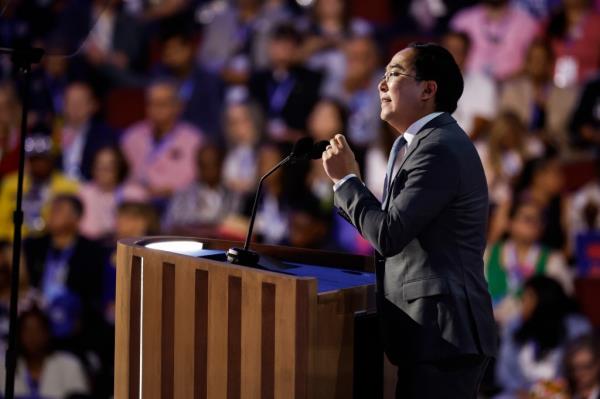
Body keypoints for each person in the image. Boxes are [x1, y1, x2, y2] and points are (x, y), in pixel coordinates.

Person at [321, 42, 497, 397]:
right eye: (383, 75)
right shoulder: (419, 145)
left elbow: (389, 233)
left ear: (428, 89)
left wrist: (346, 181)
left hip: (444, 334)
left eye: (394, 74)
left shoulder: (439, 148)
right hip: (431, 336)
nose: (381, 85)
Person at [495, 276, 591, 397]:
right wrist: (525, 393)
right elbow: (504, 373)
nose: (523, 303)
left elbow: (584, 368)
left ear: (544, 299)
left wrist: (558, 391)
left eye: (528, 298)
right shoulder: (515, 327)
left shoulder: (575, 328)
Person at [0, 306, 90, 398]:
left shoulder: (70, 364)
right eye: (27, 331)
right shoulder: (4, 367)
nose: (32, 337)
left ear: (47, 333)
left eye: (37, 330)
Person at [564, 334, 600, 399]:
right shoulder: (564, 393)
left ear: (597, 364)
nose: (579, 374)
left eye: (586, 367)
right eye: (574, 368)